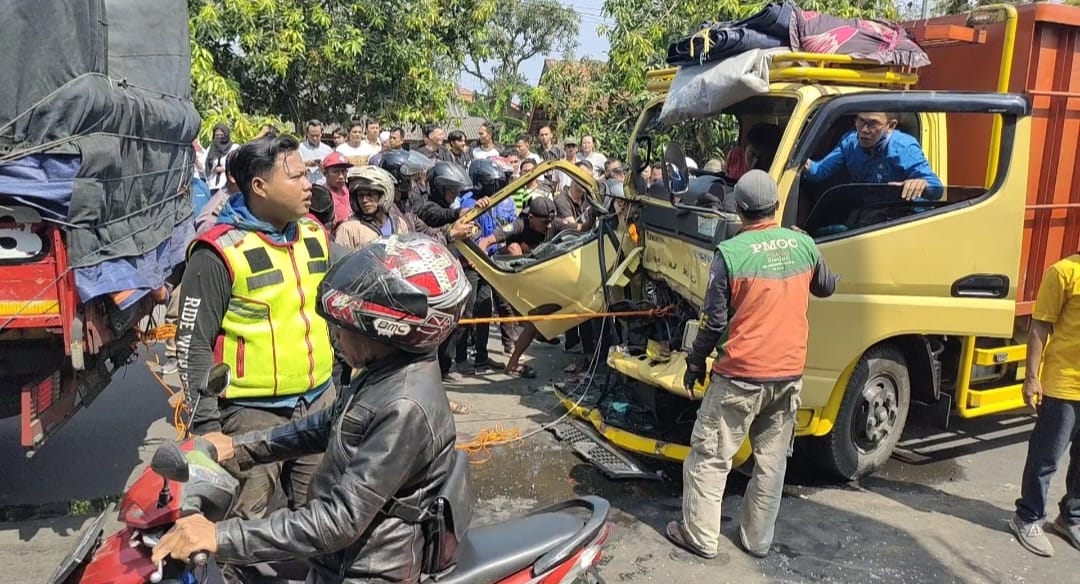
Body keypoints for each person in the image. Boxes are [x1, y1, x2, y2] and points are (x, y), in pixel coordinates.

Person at [152, 234, 469, 584]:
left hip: (365, 571)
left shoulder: (404, 405)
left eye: (345, 327)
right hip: (341, 557)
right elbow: (327, 424)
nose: (334, 336)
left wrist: (219, 536)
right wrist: (239, 447)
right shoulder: (385, 373)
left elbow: (340, 520)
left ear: (388, 330)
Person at [666, 170, 837, 560]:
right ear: (776, 206)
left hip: (741, 376)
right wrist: (806, 245)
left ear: (738, 210)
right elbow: (827, 287)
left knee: (710, 455)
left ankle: (700, 536)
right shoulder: (803, 244)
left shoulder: (730, 253)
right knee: (771, 464)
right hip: (789, 375)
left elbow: (714, 322)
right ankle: (757, 541)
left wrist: (694, 364)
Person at [176, 135, 338, 527]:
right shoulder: (217, 252)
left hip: (318, 405)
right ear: (259, 187)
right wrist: (207, 427)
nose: (308, 185)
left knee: (322, 519)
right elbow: (192, 343)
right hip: (250, 417)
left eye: (308, 174)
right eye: (296, 176)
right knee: (245, 529)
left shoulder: (314, 234)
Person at [1009, 256, 1080, 557]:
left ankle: (1070, 517)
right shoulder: (1064, 273)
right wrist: (1031, 378)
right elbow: (1040, 326)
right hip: (1063, 384)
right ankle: (1026, 517)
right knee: (1047, 456)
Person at [475, 197, 558, 379]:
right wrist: (481, 249)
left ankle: (513, 363)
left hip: (533, 282)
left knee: (531, 325)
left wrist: (591, 217)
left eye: (551, 221)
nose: (549, 226)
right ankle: (509, 354)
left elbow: (579, 229)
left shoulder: (553, 225)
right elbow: (490, 239)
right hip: (507, 278)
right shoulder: (519, 225)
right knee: (513, 248)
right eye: (544, 222)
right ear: (531, 218)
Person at [803, 112, 942, 201]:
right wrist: (803, 162)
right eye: (860, 121)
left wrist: (921, 185)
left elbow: (937, 188)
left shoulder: (903, 148)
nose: (864, 130)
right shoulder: (850, 143)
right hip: (867, 214)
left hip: (901, 218)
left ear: (891, 126)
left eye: (873, 124)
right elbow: (819, 172)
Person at [334, 165, 409, 250]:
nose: (364, 200)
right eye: (360, 195)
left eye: (370, 195)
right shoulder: (348, 229)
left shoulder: (399, 224)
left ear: (383, 196)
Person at [320, 151, 353, 228]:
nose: (341, 176)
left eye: (343, 171)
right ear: (325, 173)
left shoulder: (346, 189)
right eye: (335, 172)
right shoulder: (323, 197)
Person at [205, 123, 238, 194]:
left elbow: (239, 165)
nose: (219, 137)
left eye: (221, 135)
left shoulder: (234, 148)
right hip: (212, 186)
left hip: (227, 186)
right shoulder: (210, 149)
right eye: (217, 135)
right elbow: (203, 167)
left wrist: (224, 169)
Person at [299, 119, 333, 185]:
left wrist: (324, 167)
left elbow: (332, 170)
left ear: (321, 133)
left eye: (317, 135)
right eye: (312, 135)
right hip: (306, 186)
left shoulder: (328, 150)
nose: (315, 138)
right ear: (306, 133)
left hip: (323, 185)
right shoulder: (299, 148)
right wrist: (306, 164)